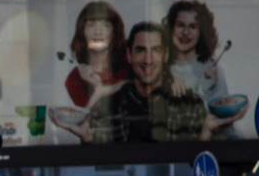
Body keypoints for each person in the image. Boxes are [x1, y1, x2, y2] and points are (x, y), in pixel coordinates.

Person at [53, 22, 244, 143]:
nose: (148, 59)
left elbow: (195, 166)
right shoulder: (107, 106)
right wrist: (86, 138)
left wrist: (208, 132)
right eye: (140, 50)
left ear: (166, 55)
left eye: (156, 51)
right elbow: (99, 162)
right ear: (129, 55)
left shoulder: (190, 105)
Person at [63, 0, 129, 109]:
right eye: (91, 25)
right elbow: (89, 120)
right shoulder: (74, 78)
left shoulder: (129, 65)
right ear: (82, 32)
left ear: (114, 33)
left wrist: (101, 89)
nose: (98, 32)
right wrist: (101, 89)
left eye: (106, 25)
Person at [165, 0, 228, 103]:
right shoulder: (160, 68)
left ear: (202, 32)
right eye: (180, 25)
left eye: (193, 27)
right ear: (171, 27)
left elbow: (223, 112)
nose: (185, 32)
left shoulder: (212, 70)